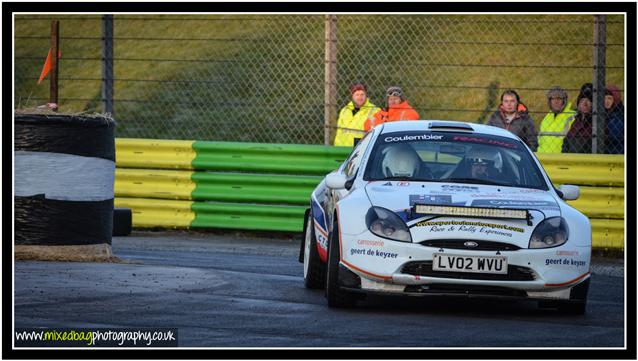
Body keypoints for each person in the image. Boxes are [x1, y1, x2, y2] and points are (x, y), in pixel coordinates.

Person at [333, 83, 380, 147]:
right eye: (357, 94)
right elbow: (339, 132)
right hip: (342, 148)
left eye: (362, 94)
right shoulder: (345, 110)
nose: (359, 97)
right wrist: (336, 147)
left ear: (366, 95)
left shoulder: (375, 110)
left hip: (361, 148)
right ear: (352, 96)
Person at [537, 86, 577, 153]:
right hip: (542, 158)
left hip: (560, 159)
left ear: (564, 100)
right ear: (549, 101)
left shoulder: (572, 116)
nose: (556, 101)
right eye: (553, 99)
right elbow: (539, 140)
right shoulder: (546, 118)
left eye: (559, 98)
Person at [562, 84, 593, 153]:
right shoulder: (575, 122)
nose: (585, 103)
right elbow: (565, 142)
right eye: (582, 100)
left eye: (588, 100)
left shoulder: (595, 123)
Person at [604, 84, 624, 154]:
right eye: (604, 98)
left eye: (609, 98)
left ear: (616, 99)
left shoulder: (621, 115)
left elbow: (616, 137)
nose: (606, 101)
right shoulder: (600, 114)